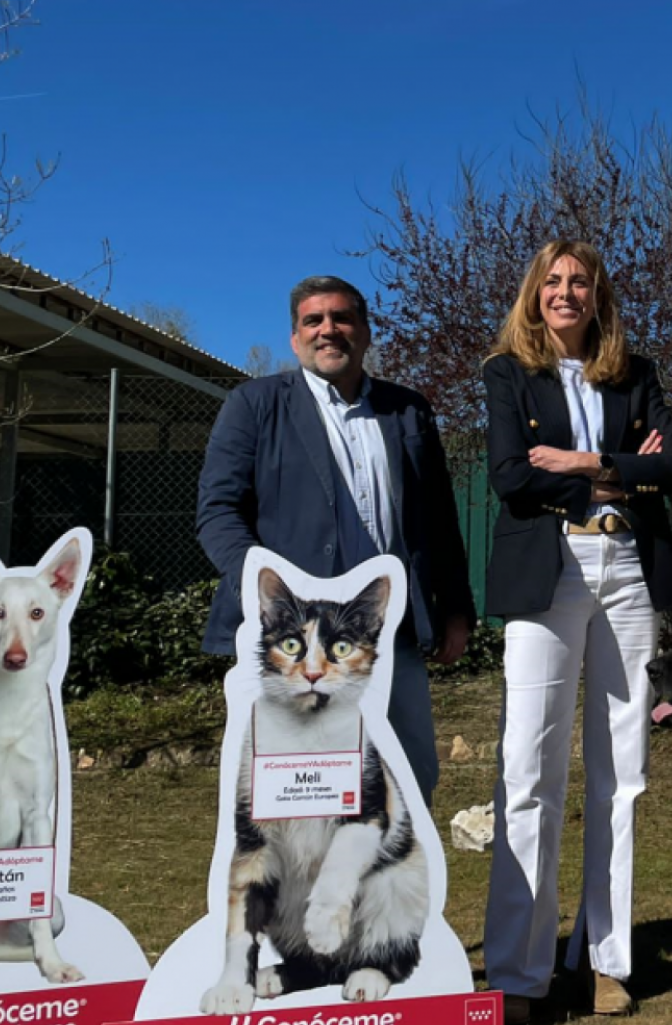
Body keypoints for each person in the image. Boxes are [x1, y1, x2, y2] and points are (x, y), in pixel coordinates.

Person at [480, 240, 672, 1025]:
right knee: (527, 769)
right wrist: (617, 469)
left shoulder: (638, 374)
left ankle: (607, 961)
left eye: (581, 282)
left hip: (629, 569)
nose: (566, 293)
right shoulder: (507, 373)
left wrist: (582, 459)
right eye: (553, 281)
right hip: (549, 570)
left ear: (600, 295)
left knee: (621, 774)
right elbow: (508, 475)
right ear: (536, 293)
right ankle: (519, 973)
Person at [196, 275, 473, 803]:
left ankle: (392, 887)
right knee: (300, 794)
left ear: (365, 331)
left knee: (407, 784)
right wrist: (268, 592)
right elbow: (217, 513)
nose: (329, 330)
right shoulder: (253, 406)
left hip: (393, 635)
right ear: (295, 338)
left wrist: (456, 609)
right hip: (293, 644)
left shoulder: (408, 410)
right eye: (313, 321)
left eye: (342, 318)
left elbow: (438, 520)